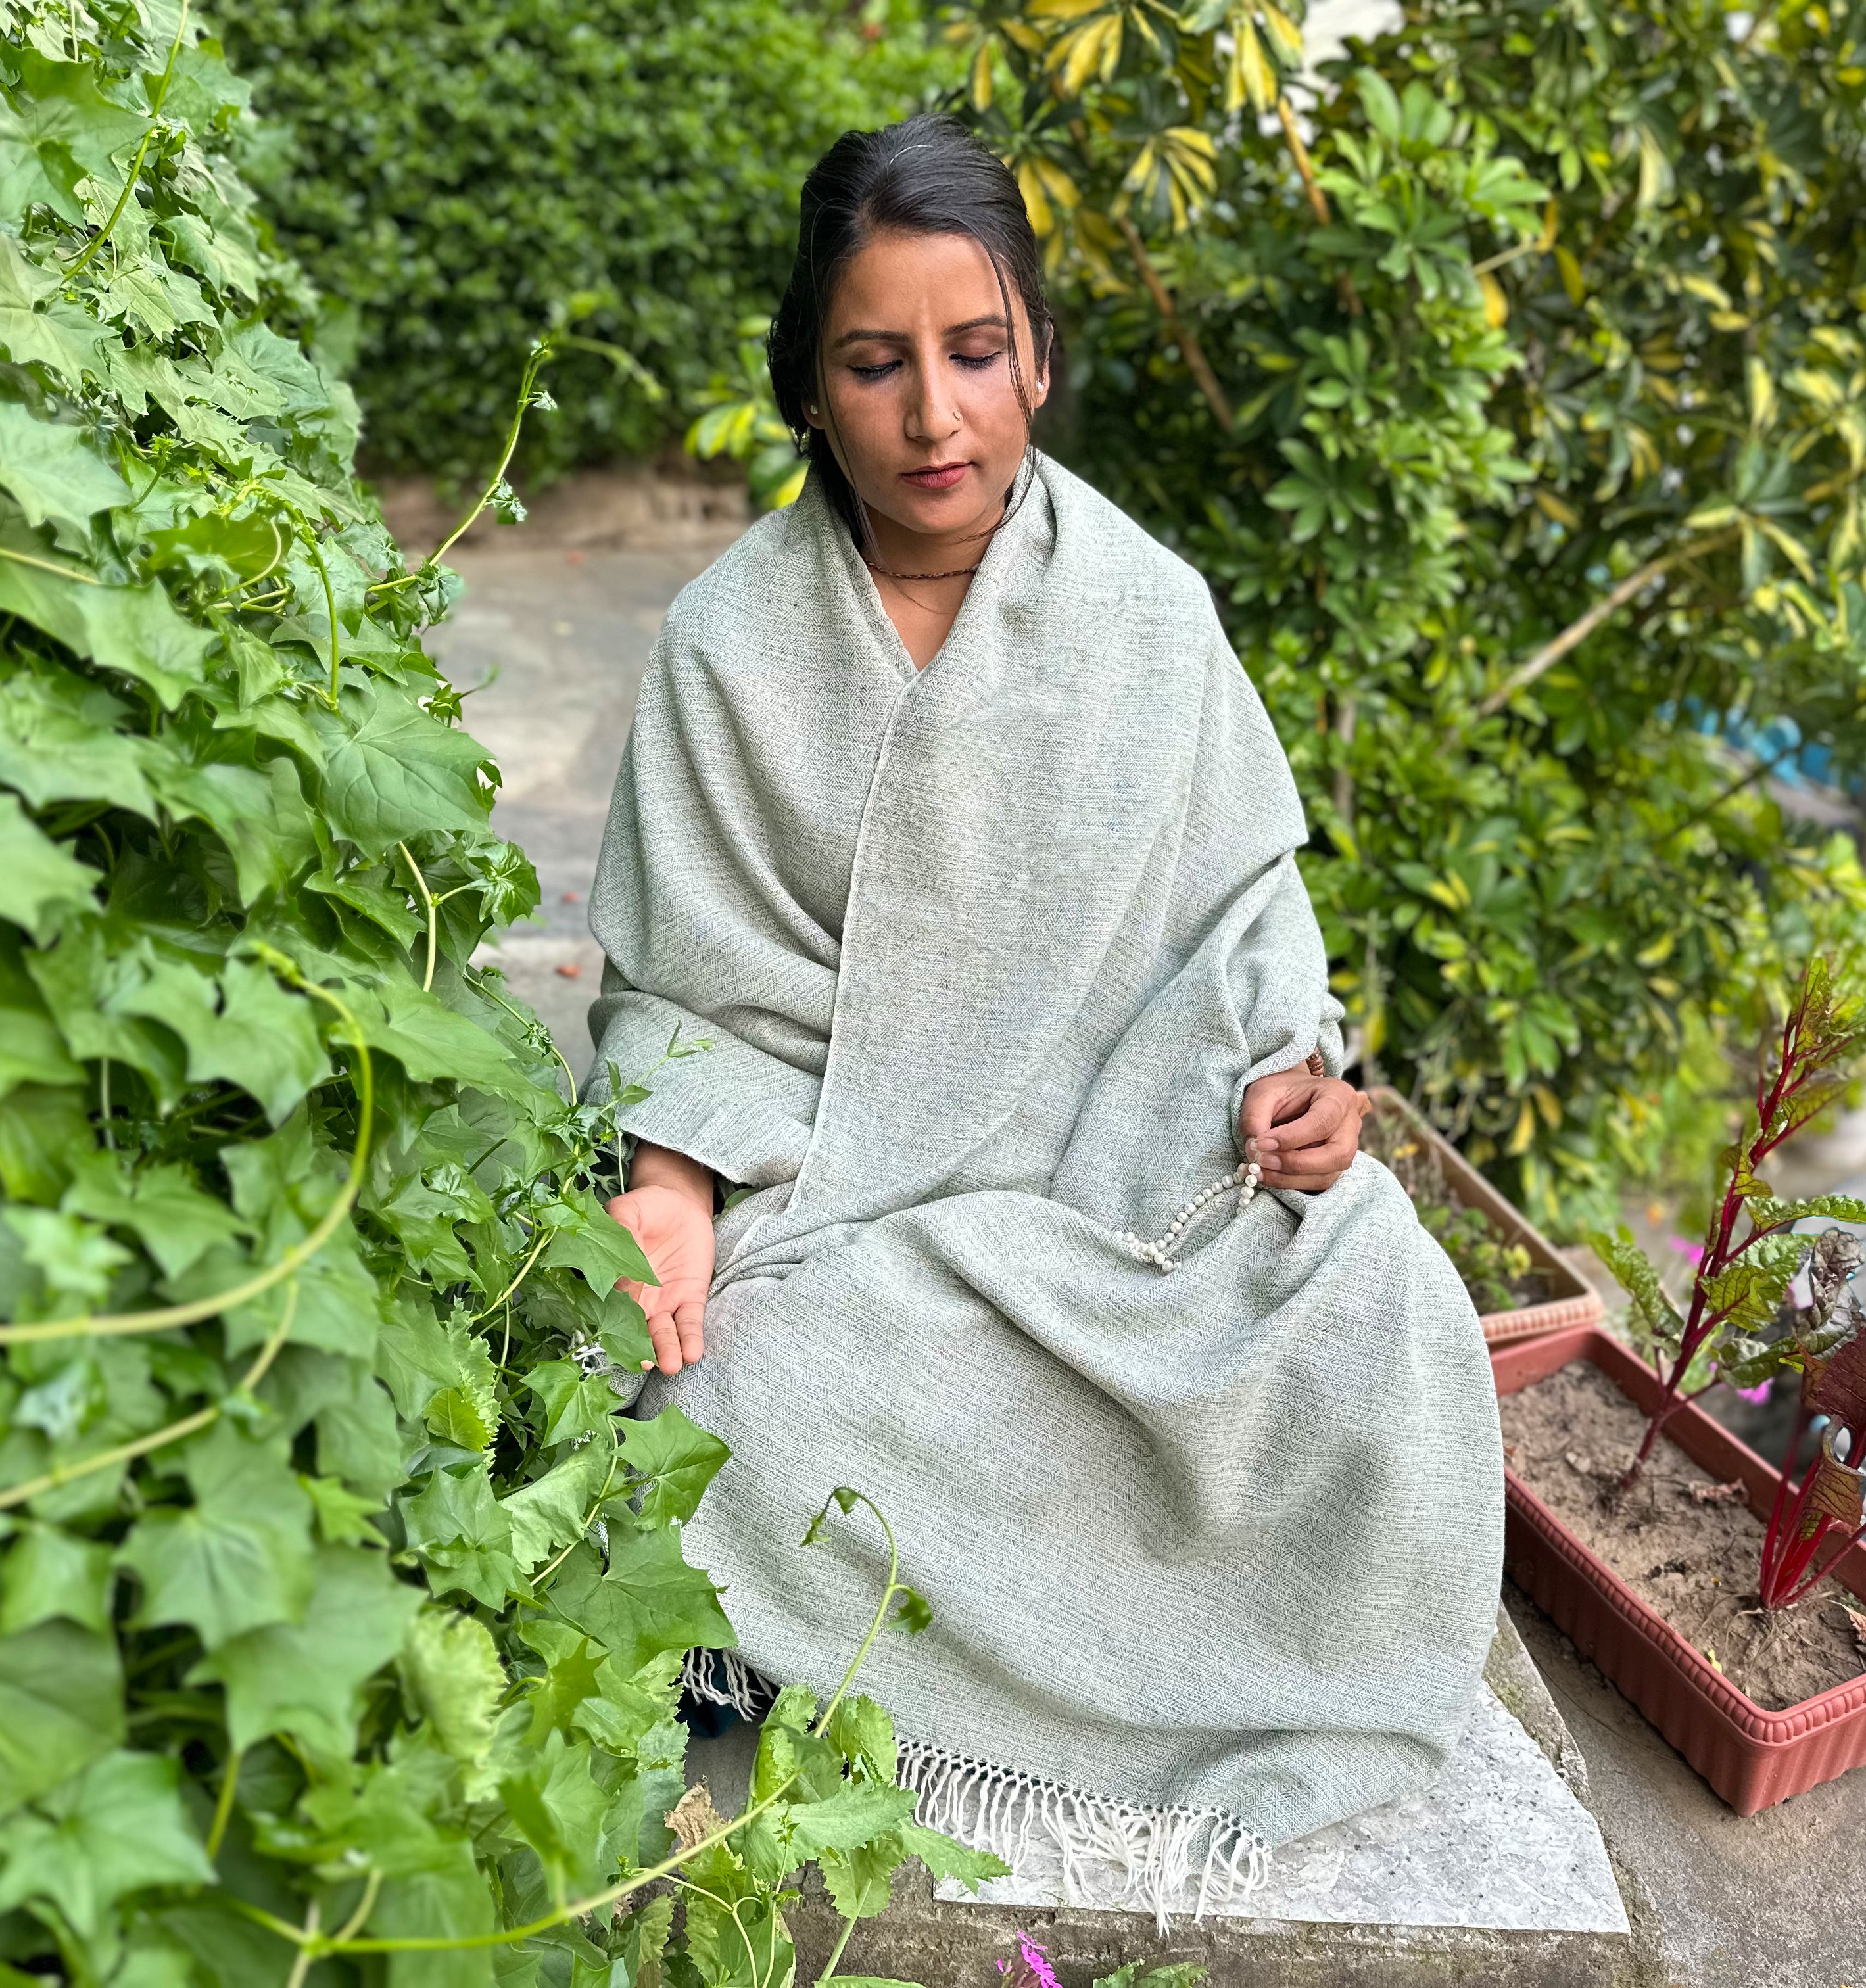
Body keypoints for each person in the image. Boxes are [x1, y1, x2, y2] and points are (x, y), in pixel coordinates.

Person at [586, 112, 1502, 1914]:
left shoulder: (1152, 619)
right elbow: (679, 995)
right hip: (836, 1195)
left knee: (1389, 1296)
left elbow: (1250, 938)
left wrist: (1309, 1084)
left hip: (1120, 1188)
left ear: (1040, 360)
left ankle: (1159, 1698)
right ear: (809, 389)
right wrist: (675, 1189)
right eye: (877, 363)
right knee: (726, 1399)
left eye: (977, 352)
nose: (937, 417)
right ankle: (731, 1732)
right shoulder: (726, 648)